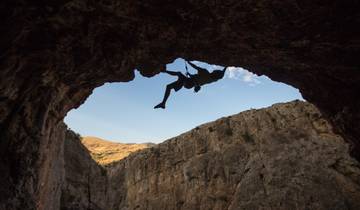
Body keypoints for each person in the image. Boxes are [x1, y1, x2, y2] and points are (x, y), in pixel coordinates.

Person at [154, 61, 227, 109]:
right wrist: (226, 67)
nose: (215, 70)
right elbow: (221, 74)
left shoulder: (205, 72)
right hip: (189, 84)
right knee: (169, 86)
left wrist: (187, 61)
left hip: (189, 83)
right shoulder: (213, 79)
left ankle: (163, 71)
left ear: (215, 72)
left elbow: (194, 66)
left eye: (216, 70)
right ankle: (163, 103)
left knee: (178, 74)